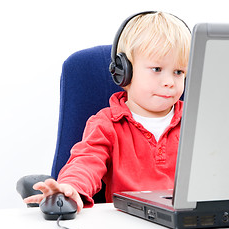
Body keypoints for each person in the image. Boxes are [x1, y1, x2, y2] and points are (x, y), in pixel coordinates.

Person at [24, 11, 191, 213]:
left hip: (188, 223)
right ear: (123, 72)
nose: (170, 82)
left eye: (179, 72)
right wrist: (71, 187)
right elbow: (86, 162)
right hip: (128, 223)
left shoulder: (195, 122)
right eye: (157, 69)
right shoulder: (106, 124)